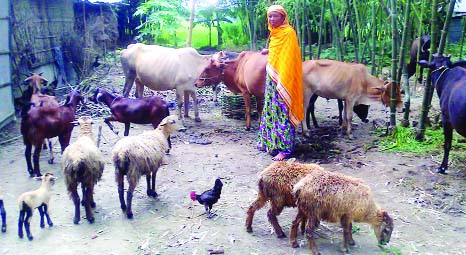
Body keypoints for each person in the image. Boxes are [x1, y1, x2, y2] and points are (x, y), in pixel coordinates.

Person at [257, 5, 304, 161]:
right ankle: (271, 144)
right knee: (271, 110)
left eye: (275, 16)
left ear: (283, 18)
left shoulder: (289, 33)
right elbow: (279, 53)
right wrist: (268, 51)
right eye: (269, 16)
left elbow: (289, 57)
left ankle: (285, 149)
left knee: (283, 111)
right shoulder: (274, 34)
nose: (271, 19)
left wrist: (283, 80)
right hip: (272, 79)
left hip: (284, 79)